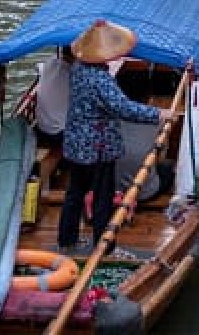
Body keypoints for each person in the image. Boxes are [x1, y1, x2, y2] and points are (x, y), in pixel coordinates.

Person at [58, 20, 173, 251]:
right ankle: (104, 245)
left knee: (75, 191)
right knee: (103, 196)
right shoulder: (100, 79)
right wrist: (158, 114)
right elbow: (124, 108)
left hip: (76, 143)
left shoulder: (78, 69)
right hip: (97, 147)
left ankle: (66, 239)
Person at [32, 47, 73, 145]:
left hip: (41, 126)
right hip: (58, 133)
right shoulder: (75, 74)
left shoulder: (51, 61)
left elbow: (40, 68)